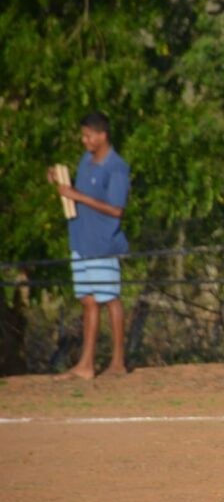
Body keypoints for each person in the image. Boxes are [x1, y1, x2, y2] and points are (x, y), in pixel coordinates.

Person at [47, 112, 130, 379]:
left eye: (88, 136)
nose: (85, 141)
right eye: (83, 136)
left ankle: (118, 362)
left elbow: (116, 210)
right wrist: (62, 182)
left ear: (102, 135)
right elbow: (81, 192)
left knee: (110, 298)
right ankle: (86, 364)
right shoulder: (86, 160)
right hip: (80, 239)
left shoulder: (116, 167)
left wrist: (78, 196)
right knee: (88, 300)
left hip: (102, 243)